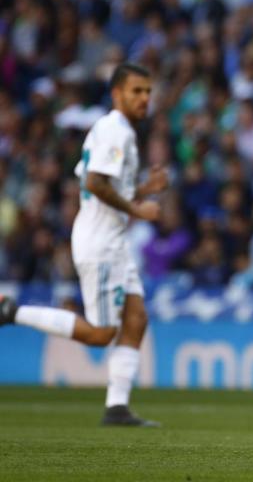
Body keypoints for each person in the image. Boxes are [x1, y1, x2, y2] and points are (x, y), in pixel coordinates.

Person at [0, 63, 167, 426]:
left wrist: (141, 190)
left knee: (136, 318)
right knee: (101, 333)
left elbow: (97, 184)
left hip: (112, 241)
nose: (144, 98)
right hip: (101, 243)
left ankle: (117, 407)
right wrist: (137, 207)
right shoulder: (115, 132)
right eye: (136, 91)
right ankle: (10, 312)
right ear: (117, 94)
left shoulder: (112, 130)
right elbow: (94, 183)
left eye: (148, 91)